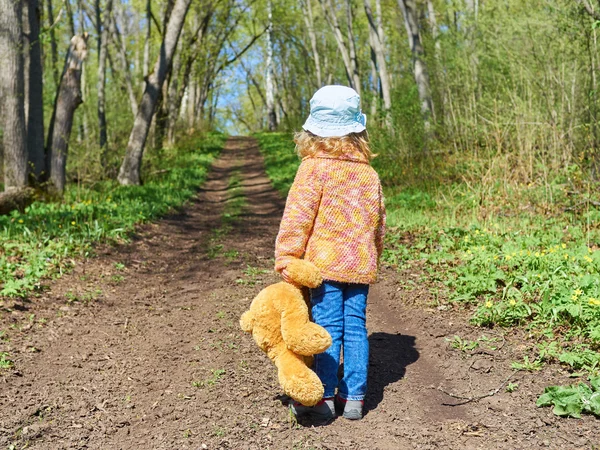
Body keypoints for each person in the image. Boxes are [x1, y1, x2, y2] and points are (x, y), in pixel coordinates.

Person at [275, 85, 386, 421]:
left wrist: (287, 256)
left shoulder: (313, 168)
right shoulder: (369, 174)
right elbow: (378, 226)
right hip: (359, 265)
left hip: (322, 266)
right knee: (355, 326)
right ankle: (354, 397)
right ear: (358, 131)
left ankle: (321, 395)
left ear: (312, 132)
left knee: (326, 327)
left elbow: (297, 217)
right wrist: (372, 256)